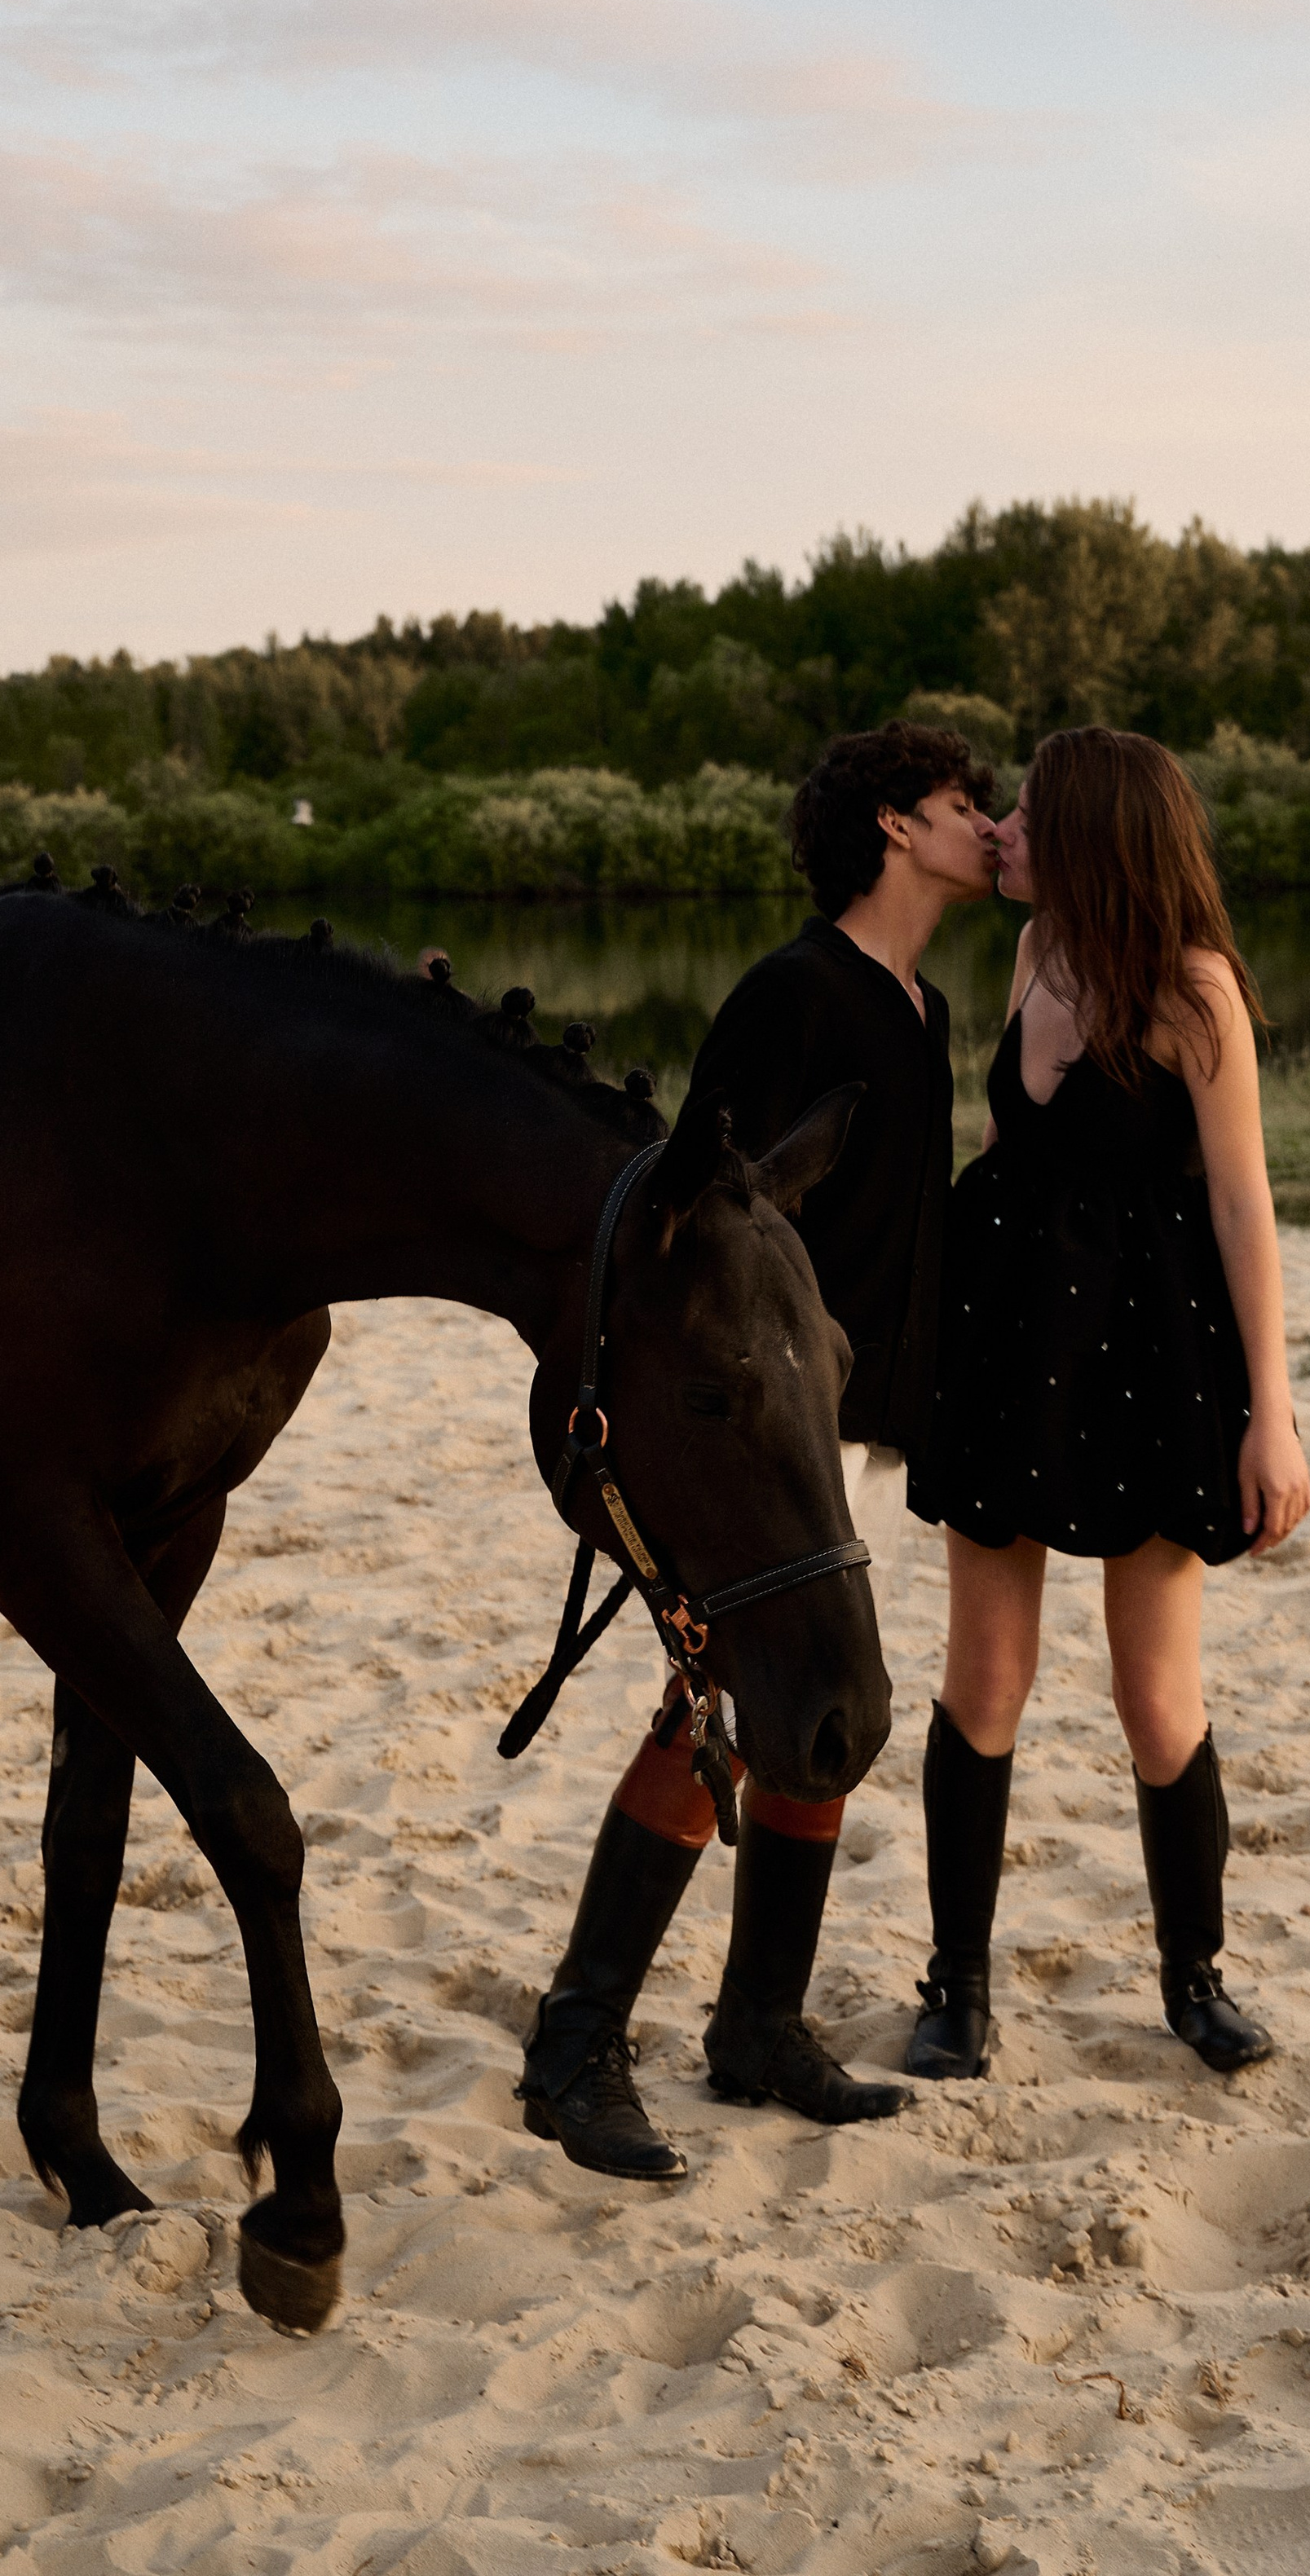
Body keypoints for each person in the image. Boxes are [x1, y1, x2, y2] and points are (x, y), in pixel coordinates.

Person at [518, 720, 998, 2182]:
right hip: (757, 1422)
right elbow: (690, 1205)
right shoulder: (794, 993)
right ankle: (576, 2046)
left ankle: (759, 2026)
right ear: (895, 828)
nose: (990, 824)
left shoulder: (917, 1010)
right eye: (967, 804)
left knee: (821, 1701)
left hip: (849, 1409)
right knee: (712, 1710)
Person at [902, 725, 1310, 2085]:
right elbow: (999, 1162)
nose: (1006, 827)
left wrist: (1274, 1412)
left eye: (1027, 809)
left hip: (1154, 1364)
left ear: (1095, 835)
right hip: (1011, 1349)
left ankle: (1195, 1980)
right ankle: (956, 1986)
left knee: (1157, 1697)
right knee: (986, 1678)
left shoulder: (1198, 993)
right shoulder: (1033, 956)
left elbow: (1244, 1208)